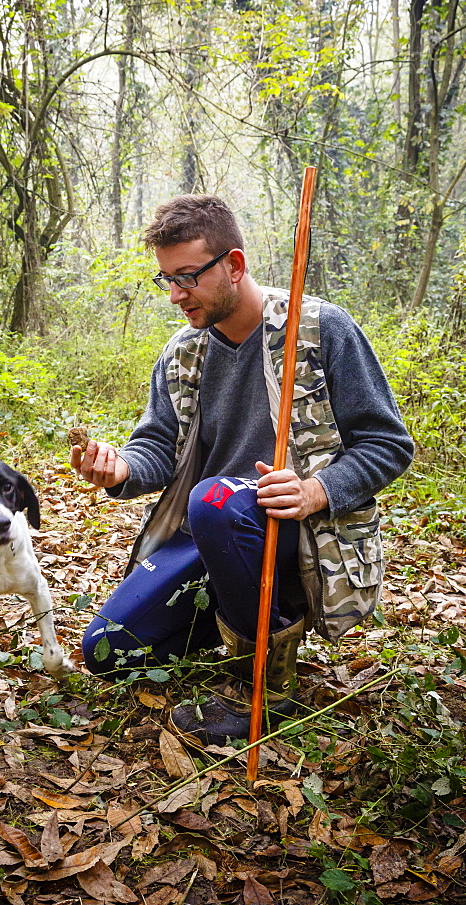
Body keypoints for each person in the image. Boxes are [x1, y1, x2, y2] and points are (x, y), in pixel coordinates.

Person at [70, 194, 414, 749]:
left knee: (214, 501)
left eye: (187, 277)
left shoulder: (320, 330)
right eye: (166, 280)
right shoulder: (183, 352)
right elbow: (158, 445)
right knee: (108, 650)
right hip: (208, 534)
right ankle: (231, 621)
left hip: (299, 536)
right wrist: (120, 470)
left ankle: (265, 686)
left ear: (234, 264)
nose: (177, 295)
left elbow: (389, 444)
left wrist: (316, 490)